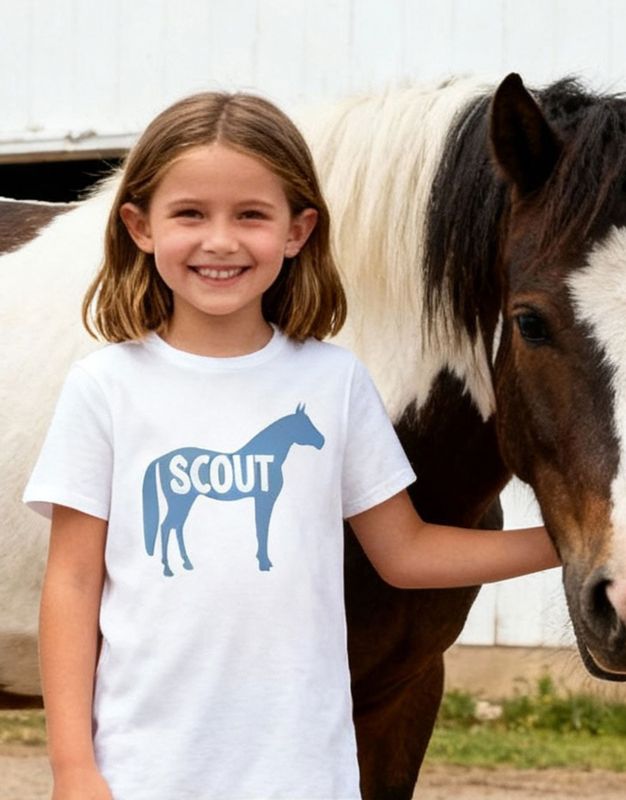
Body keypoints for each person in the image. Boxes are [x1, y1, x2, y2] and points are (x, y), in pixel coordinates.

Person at [23, 91, 559, 800]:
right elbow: (72, 583)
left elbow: (406, 553)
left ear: (299, 229)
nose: (221, 240)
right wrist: (73, 767)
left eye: (251, 214)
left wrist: (568, 542)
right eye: (190, 214)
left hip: (303, 776)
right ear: (140, 226)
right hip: (142, 774)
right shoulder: (104, 388)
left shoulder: (335, 384)